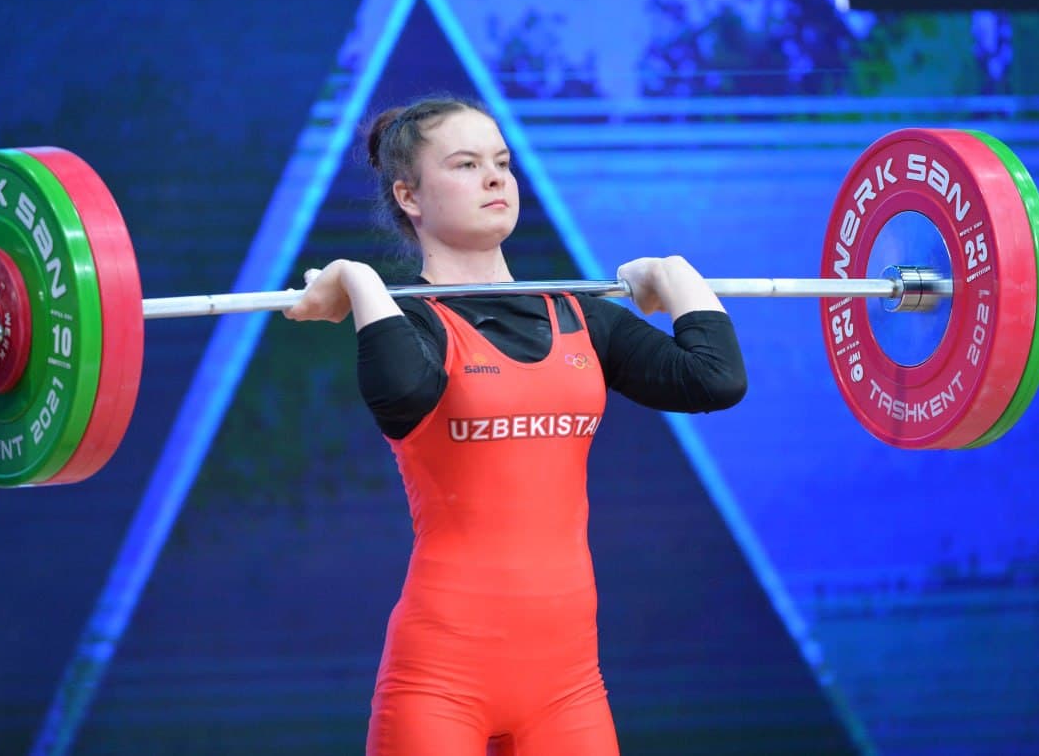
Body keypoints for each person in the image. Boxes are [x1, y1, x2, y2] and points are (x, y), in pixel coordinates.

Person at [282, 95, 747, 755]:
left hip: (568, 688)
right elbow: (402, 396)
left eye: (501, 162)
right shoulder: (412, 324)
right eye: (466, 164)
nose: (495, 178)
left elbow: (715, 379)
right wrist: (359, 283)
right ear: (409, 196)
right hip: (438, 683)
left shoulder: (581, 316)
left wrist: (672, 275)